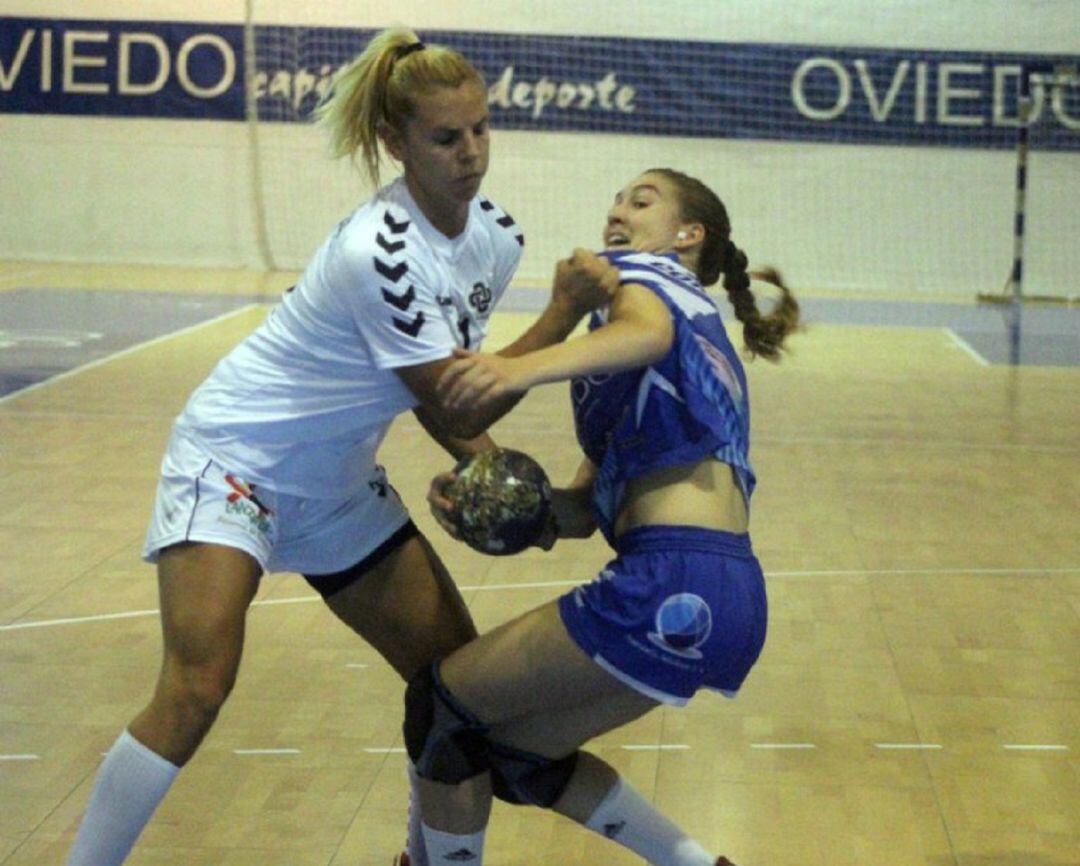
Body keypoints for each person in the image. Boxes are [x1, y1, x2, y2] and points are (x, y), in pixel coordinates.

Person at [65, 27, 618, 866]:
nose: (471, 153)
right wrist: (563, 314)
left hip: (336, 487)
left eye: (481, 129)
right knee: (197, 687)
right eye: (446, 137)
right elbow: (456, 389)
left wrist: (487, 473)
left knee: (455, 690)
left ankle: (420, 857)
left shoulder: (495, 236)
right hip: (237, 461)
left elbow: (435, 390)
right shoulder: (379, 252)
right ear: (395, 143)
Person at [406, 167, 801, 866]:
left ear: (688, 235)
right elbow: (582, 513)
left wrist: (517, 368)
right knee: (518, 758)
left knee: (441, 709)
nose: (618, 211)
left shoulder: (647, 278)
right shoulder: (691, 336)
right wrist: (506, 508)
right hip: (727, 591)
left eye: (641, 201)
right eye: (616, 200)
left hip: (669, 579)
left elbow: (646, 331)